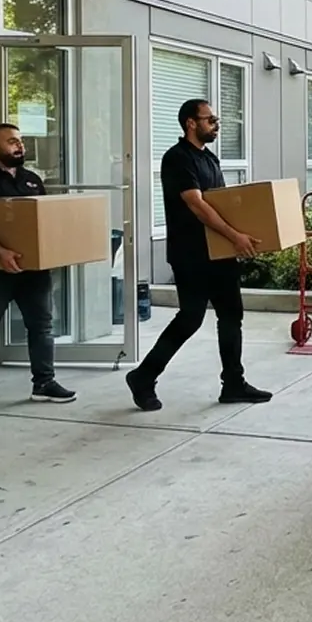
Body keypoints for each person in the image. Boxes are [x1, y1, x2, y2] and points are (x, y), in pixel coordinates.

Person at [126, 99, 273, 411]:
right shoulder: (177, 159)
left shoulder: (210, 159)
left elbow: (220, 203)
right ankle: (143, 376)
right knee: (190, 318)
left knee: (232, 315)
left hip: (219, 253)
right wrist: (235, 236)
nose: (216, 125)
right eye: (210, 120)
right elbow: (198, 205)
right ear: (191, 123)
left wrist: (238, 239)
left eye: (216, 120)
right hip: (191, 254)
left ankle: (233, 383)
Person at [0, 124, 75, 405]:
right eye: (11, 142)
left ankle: (44, 382)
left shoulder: (32, 179)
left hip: (33, 269)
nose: (20, 147)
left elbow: (41, 221)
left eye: (20, 141)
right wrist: (0, 252)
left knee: (42, 326)